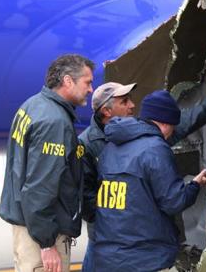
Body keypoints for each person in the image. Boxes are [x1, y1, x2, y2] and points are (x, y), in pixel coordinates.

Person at [94, 90, 206, 272]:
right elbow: (173, 202)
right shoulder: (156, 148)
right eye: (172, 126)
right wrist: (194, 185)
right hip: (145, 258)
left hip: (109, 256)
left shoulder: (111, 146)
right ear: (163, 123)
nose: (172, 134)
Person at [0, 54, 95, 272]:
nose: (91, 89)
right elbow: (40, 187)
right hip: (40, 234)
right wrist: (47, 243)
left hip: (26, 224)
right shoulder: (55, 122)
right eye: (87, 82)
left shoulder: (33, 105)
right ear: (68, 80)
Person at [79, 82, 137, 272]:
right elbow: (85, 198)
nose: (132, 106)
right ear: (106, 111)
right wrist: (112, 221)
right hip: (105, 240)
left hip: (133, 237)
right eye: (125, 101)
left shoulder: (134, 132)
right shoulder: (86, 144)